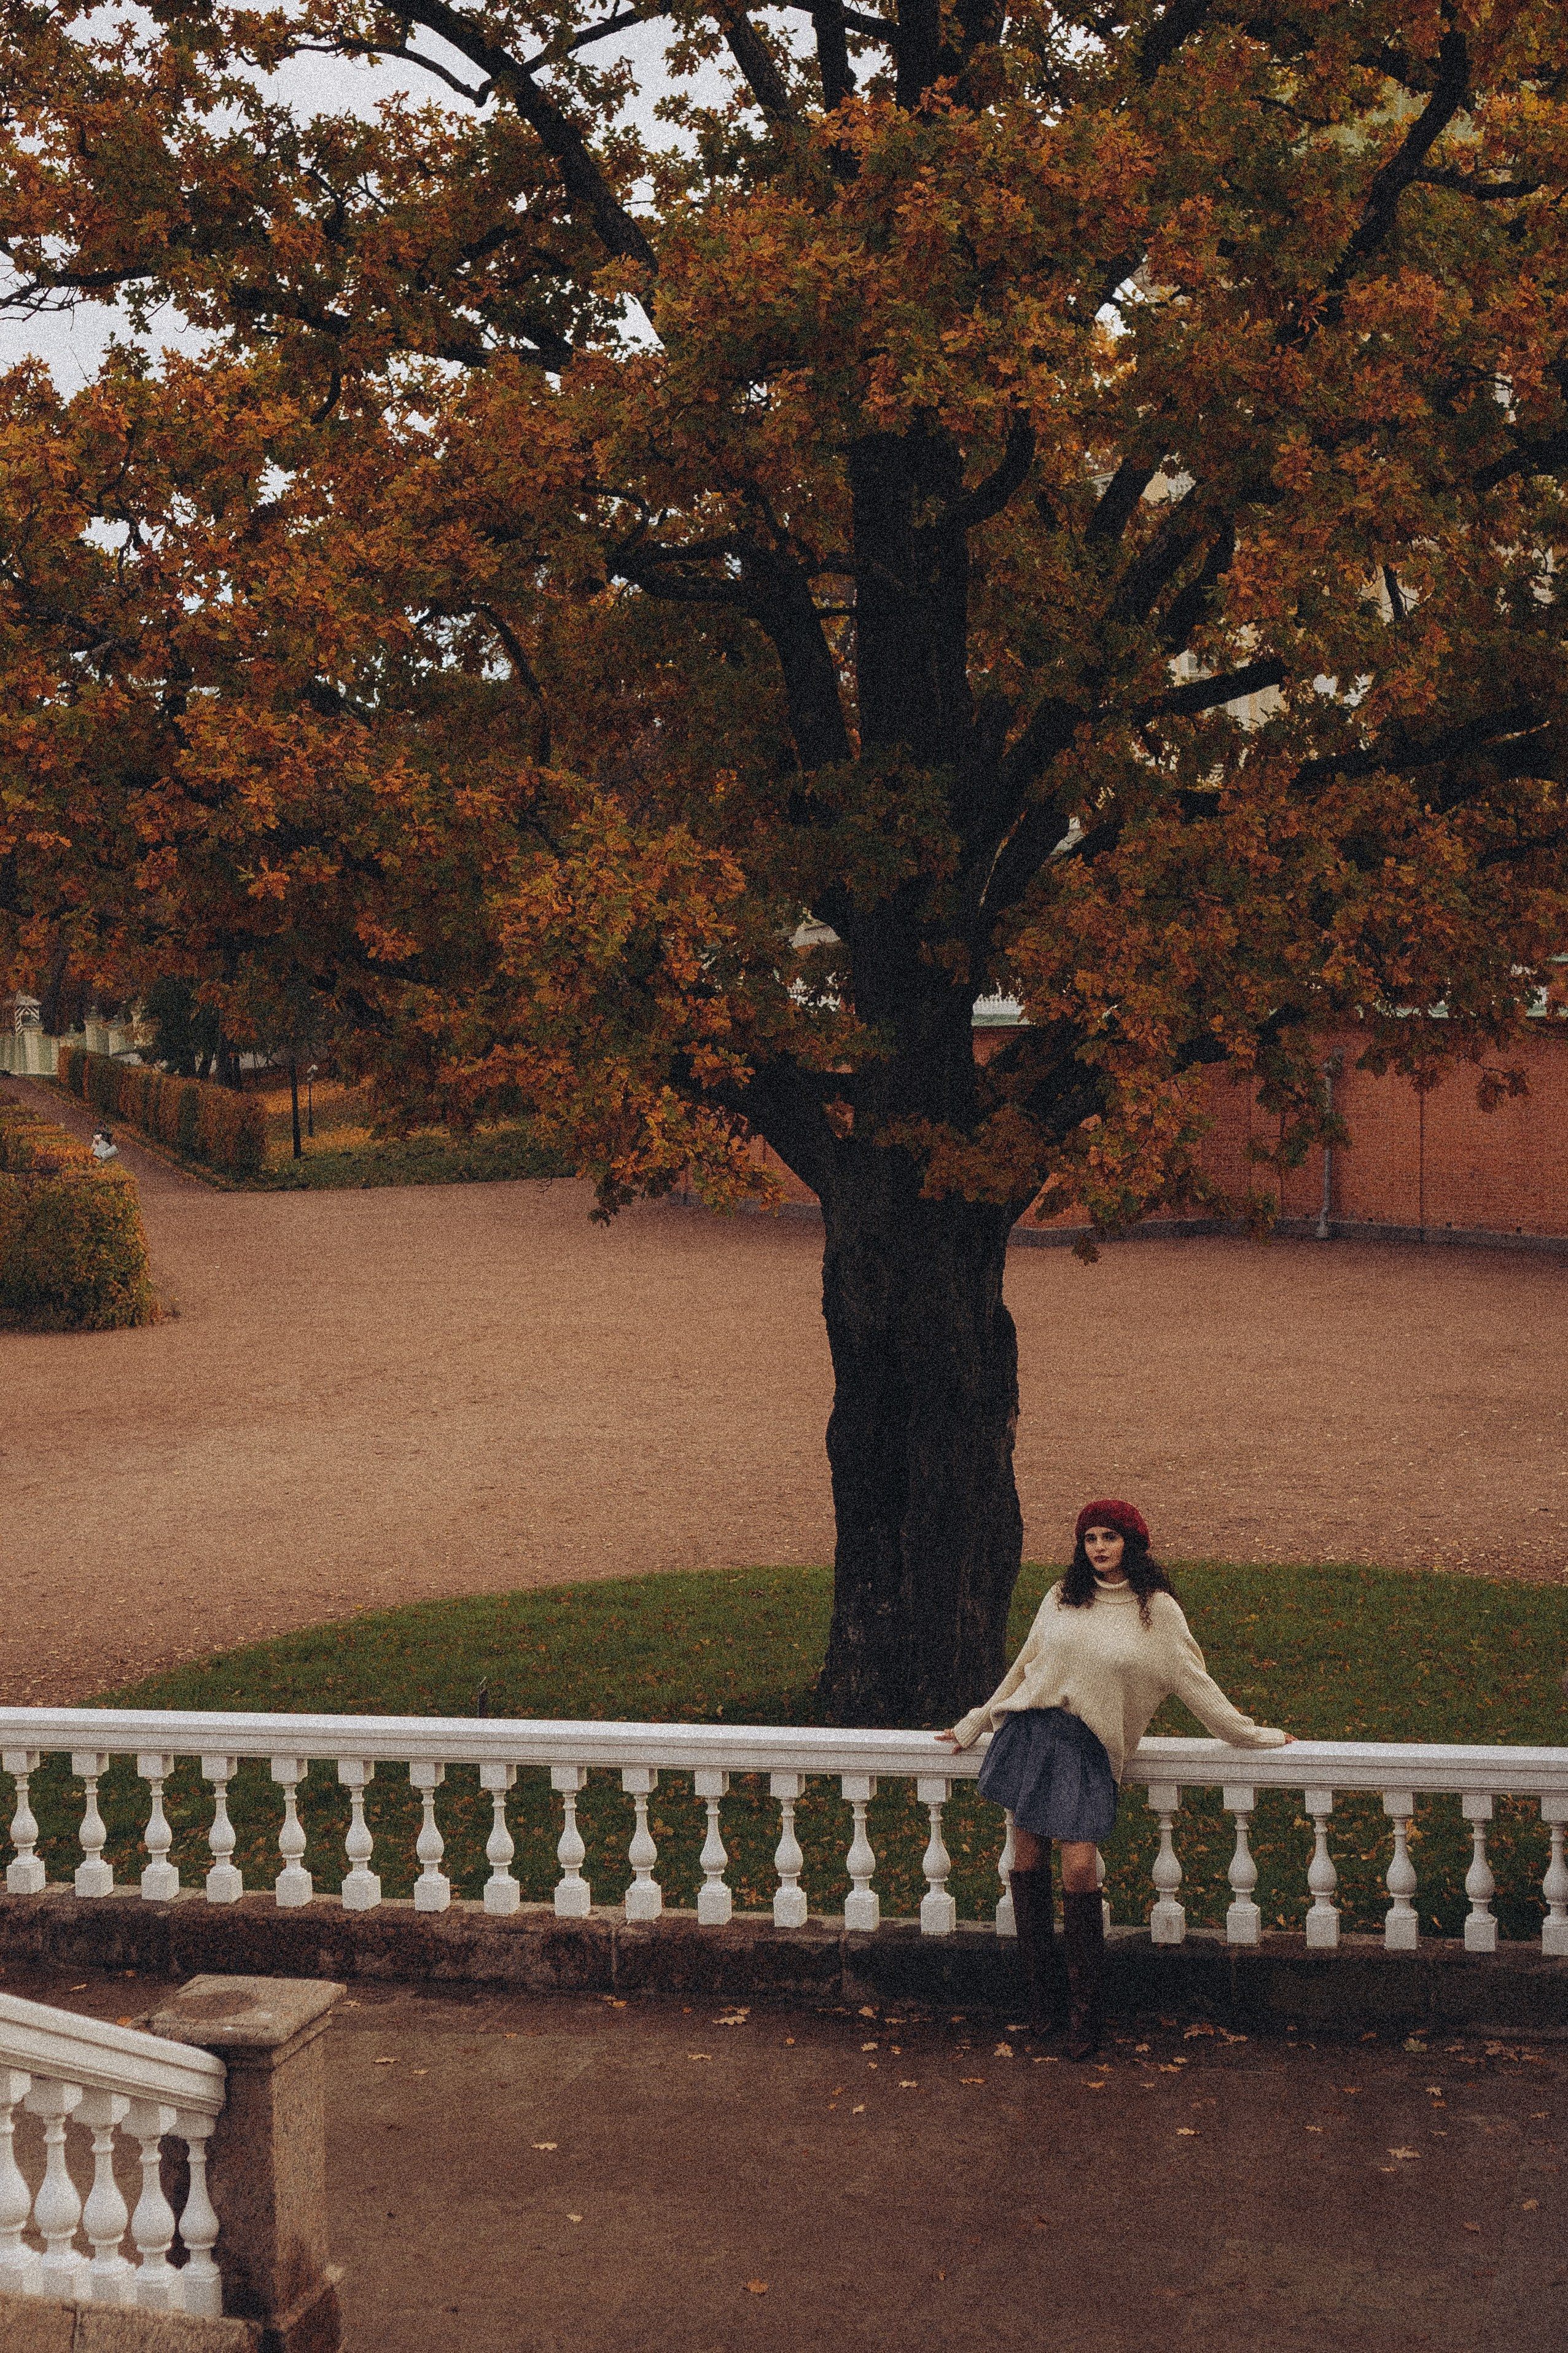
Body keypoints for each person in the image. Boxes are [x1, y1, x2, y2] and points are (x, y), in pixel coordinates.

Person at [938, 1500, 1294, 2061]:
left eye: (1110, 1537)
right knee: (1024, 1863)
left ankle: (1086, 2014)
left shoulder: (1158, 1612)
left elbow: (1196, 1685)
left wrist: (1254, 1735)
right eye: (1090, 1539)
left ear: (1132, 1542)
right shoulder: (1060, 1597)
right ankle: (1044, 2007)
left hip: (1087, 1749)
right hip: (1030, 1734)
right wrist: (973, 1723)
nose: (1099, 1548)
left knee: (1079, 1870)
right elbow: (1024, 1667)